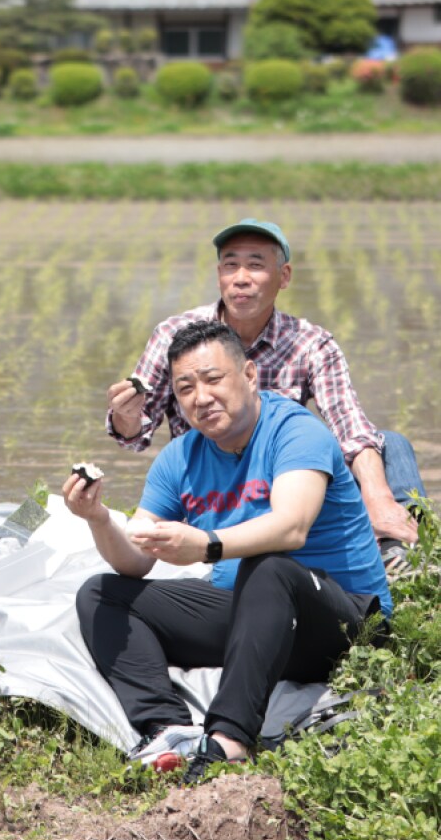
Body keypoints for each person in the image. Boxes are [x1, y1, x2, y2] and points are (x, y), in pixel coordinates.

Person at [71, 320, 391, 784]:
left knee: (271, 567)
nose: (201, 397)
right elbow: (136, 556)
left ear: (250, 375)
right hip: (254, 618)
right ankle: (168, 728)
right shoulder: (180, 456)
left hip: (341, 622)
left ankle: (228, 742)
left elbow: (293, 526)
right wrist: (99, 518)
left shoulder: (297, 432)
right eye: (185, 388)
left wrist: (206, 547)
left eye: (213, 379)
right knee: (102, 593)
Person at [105, 217, 423, 568]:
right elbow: (134, 436)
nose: (241, 277)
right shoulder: (175, 336)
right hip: (211, 489)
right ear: (219, 275)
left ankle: (400, 549)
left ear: (283, 276)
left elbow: (350, 426)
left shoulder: (309, 343)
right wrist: (128, 413)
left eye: (256, 265)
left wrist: (377, 497)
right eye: (231, 265)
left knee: (390, 445)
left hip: (282, 488)